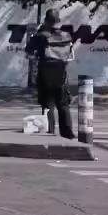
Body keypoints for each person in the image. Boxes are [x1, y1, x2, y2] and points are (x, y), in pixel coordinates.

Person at [26, 9, 76, 139]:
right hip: (62, 70)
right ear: (58, 20)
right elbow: (70, 54)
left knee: (48, 104)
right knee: (63, 103)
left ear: (46, 21)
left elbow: (29, 50)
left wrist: (38, 31)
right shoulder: (67, 36)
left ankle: (50, 132)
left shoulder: (40, 36)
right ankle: (67, 133)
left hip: (46, 70)